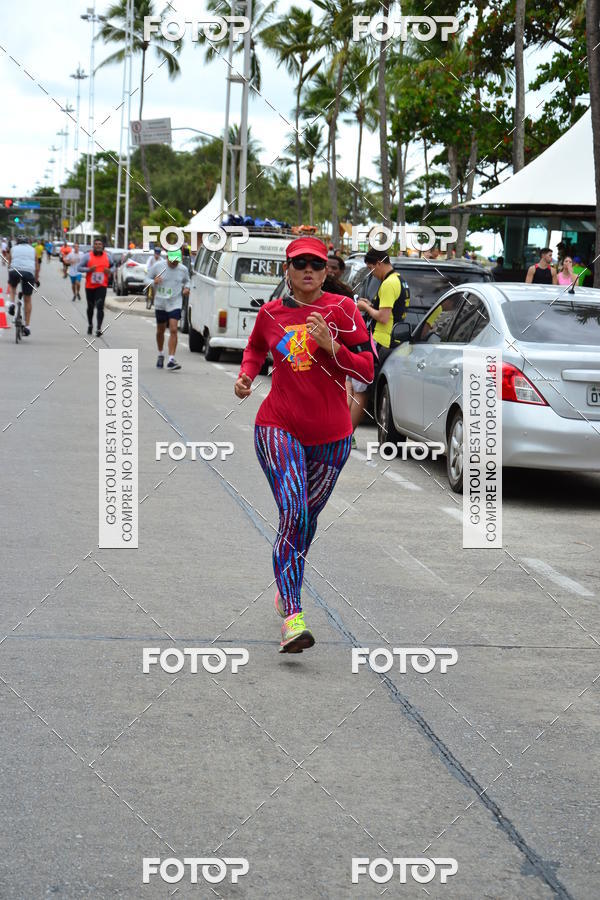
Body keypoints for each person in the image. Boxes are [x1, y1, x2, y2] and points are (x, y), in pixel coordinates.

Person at [234, 237, 374, 653]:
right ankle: (293, 617)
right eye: (300, 264)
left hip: (332, 438)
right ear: (287, 271)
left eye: (316, 263)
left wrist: (333, 347)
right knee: (293, 511)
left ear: (326, 271)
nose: (309, 270)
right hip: (278, 427)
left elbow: (367, 367)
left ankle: (285, 582)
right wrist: (246, 376)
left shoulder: (343, 311)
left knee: (305, 522)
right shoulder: (270, 314)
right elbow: (256, 348)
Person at [351, 248, 410, 440]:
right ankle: (345, 434)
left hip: (381, 341)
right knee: (356, 386)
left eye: (370, 268)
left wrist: (365, 307)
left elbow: (384, 317)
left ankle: (346, 435)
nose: (371, 273)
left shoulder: (388, 284)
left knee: (361, 390)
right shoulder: (399, 279)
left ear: (378, 263)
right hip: (389, 340)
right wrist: (372, 304)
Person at [147, 247, 190, 370]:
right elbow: (146, 279)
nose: (174, 263)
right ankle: (160, 353)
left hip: (175, 302)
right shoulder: (158, 266)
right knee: (160, 331)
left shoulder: (183, 269)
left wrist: (187, 288)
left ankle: (171, 359)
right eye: (172, 261)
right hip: (161, 303)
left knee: (174, 329)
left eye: (177, 261)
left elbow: (188, 281)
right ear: (167, 258)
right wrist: (153, 281)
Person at [78, 238, 114, 336]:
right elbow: (79, 267)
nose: (98, 246)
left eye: (100, 244)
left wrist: (110, 271)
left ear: (102, 246)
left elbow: (113, 266)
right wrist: (89, 269)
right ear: (93, 246)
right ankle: (90, 324)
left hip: (102, 285)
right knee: (90, 307)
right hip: (90, 286)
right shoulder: (87, 256)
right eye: (96, 244)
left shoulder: (108, 257)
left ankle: (98, 328)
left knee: (100, 306)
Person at [7, 236, 39, 336]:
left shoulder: (13, 249)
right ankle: (27, 327)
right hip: (28, 273)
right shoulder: (33, 250)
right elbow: (37, 267)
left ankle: (12, 304)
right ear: (28, 242)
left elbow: (9, 263)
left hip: (15, 271)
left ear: (18, 242)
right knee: (27, 299)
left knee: (12, 287)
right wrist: (36, 280)